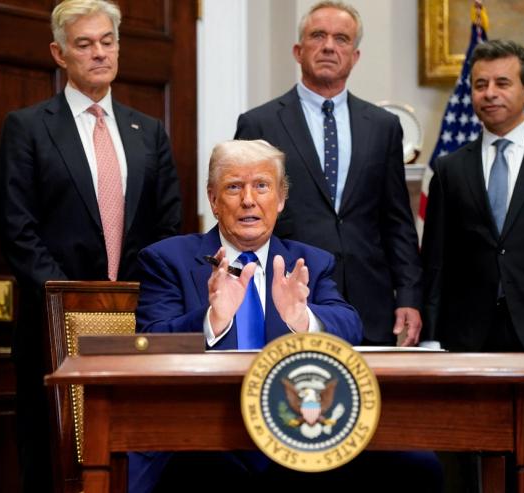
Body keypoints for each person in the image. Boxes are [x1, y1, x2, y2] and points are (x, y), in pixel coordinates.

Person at [0, 0, 181, 490]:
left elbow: (167, 228)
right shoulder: (28, 127)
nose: (99, 53)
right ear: (59, 53)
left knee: (130, 458)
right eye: (84, 44)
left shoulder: (149, 131)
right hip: (52, 328)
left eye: (108, 41)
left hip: (138, 326)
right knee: (53, 462)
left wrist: (147, 301)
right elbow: (18, 229)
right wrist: (74, 301)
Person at [133, 139, 361, 493]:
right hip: (201, 432)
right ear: (213, 199)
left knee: (414, 466)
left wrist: (302, 320)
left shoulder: (311, 263)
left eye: (262, 186)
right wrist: (212, 320)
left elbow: (350, 327)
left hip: (294, 427)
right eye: (234, 187)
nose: (249, 200)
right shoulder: (167, 259)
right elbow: (151, 344)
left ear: (281, 198)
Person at [235, 1, 422, 347]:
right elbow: (245, 215)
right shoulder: (259, 123)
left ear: (355, 55)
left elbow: (397, 220)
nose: (329, 46)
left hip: (370, 300)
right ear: (298, 50)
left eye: (342, 38)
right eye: (318, 36)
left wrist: (409, 295)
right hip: (289, 293)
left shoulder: (384, 127)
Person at [422, 39, 524, 492]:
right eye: (480, 84)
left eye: (502, 82)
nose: (489, 93)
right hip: (471, 336)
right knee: (468, 460)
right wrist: (430, 334)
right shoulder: (449, 168)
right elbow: (437, 263)